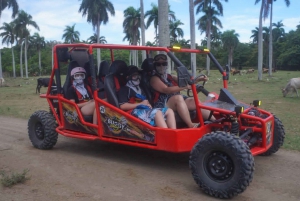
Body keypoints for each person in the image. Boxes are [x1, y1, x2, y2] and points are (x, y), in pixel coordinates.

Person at [150, 53, 215, 128]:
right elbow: (166, 90)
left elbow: (186, 82)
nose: (161, 66)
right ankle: (191, 125)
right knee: (178, 98)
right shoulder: (154, 78)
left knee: (194, 101)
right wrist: (185, 87)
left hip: (175, 100)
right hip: (162, 104)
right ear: (155, 66)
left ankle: (214, 122)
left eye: (164, 64)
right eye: (159, 64)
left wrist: (199, 79)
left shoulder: (169, 76)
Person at [117, 65, 176, 129]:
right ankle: (167, 135)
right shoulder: (124, 90)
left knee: (169, 111)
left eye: (138, 76)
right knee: (157, 113)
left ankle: (173, 134)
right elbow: (122, 106)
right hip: (132, 112)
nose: (137, 78)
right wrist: (140, 104)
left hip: (144, 110)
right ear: (128, 77)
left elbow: (145, 101)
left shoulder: (140, 88)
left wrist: (148, 104)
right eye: (134, 76)